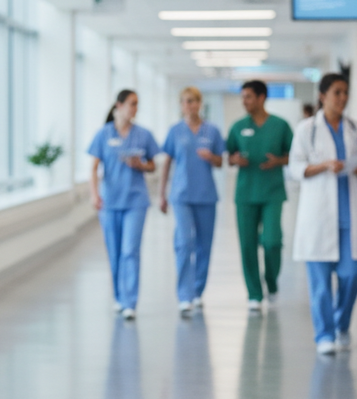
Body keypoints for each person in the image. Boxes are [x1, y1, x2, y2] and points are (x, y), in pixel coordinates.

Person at [293, 73, 357, 355]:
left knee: (352, 275)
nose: (343, 98)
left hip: (350, 215)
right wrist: (325, 166)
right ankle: (324, 334)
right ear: (323, 96)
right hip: (318, 217)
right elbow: (295, 168)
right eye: (337, 92)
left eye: (346, 92)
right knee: (321, 285)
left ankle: (341, 323)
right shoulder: (306, 129)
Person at [88, 89, 160, 321]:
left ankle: (129, 301)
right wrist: (94, 195)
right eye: (132, 104)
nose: (135, 109)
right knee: (115, 252)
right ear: (118, 106)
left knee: (130, 250)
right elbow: (93, 167)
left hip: (136, 201)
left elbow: (153, 166)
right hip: (110, 203)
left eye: (137, 104)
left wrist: (141, 165)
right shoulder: (103, 134)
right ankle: (119, 297)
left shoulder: (144, 135)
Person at [226, 79, 294, 312]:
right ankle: (254, 292)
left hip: (272, 191)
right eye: (243, 97)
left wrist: (279, 161)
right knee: (247, 244)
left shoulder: (281, 125)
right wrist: (235, 160)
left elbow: (294, 155)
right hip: (246, 192)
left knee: (272, 241)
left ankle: (272, 281)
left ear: (261, 97)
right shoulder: (237, 127)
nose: (244, 101)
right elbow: (229, 155)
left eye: (248, 97)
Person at [159, 87, 225, 314]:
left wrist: (211, 157)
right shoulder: (175, 131)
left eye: (194, 101)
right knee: (185, 242)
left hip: (206, 195)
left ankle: (198, 291)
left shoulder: (212, 131)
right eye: (186, 101)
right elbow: (167, 162)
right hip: (181, 195)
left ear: (200, 103)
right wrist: (162, 194)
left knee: (204, 245)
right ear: (181, 104)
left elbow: (220, 162)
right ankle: (184, 294)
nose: (191, 106)